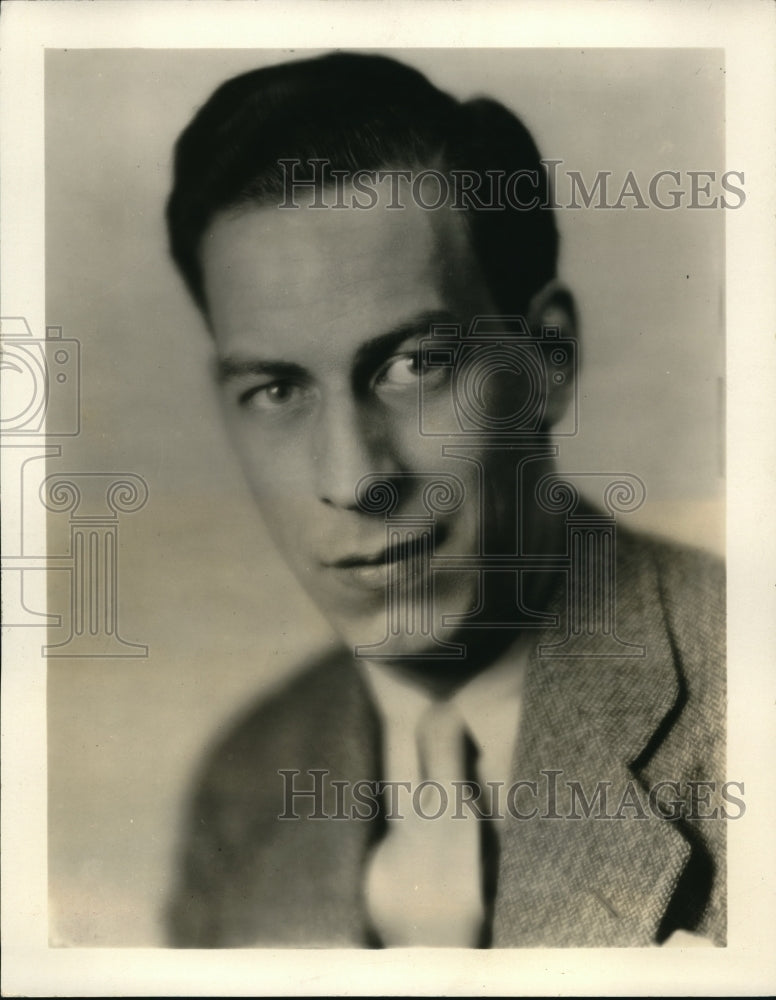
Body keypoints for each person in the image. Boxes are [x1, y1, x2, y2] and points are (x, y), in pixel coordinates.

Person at [163, 51, 726, 948]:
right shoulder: (242, 786)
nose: (353, 478)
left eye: (415, 365)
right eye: (276, 389)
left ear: (545, 362)